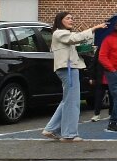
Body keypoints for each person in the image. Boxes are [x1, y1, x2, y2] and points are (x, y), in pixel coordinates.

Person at [42, 11, 107, 142]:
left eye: (72, 18)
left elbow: (77, 43)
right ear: (60, 20)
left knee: (68, 100)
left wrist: (87, 47)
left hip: (70, 68)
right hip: (68, 69)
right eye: (68, 18)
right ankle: (69, 134)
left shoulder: (65, 34)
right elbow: (75, 38)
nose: (71, 20)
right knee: (72, 102)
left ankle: (51, 128)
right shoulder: (59, 33)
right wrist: (94, 28)